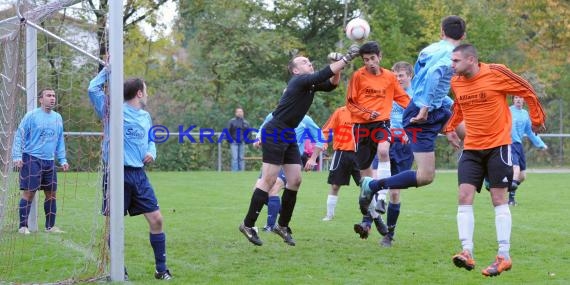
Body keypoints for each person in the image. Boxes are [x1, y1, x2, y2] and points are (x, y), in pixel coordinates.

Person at [238, 45, 360, 246]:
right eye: (304, 62)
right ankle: (248, 224)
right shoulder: (299, 81)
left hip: (287, 133)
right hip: (275, 130)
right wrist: (346, 58)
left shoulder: (309, 85)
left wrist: (338, 67)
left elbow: (331, 84)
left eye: (309, 61)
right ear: (295, 70)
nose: (309, 63)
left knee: (294, 180)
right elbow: (324, 73)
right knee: (268, 180)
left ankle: (282, 225)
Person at [444, 44, 546, 277]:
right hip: (471, 147)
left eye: (456, 61)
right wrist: (450, 127)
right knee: (463, 196)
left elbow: (526, 89)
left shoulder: (496, 72)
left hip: (498, 146)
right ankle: (467, 251)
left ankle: (504, 255)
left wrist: (537, 118)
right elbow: (460, 106)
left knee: (498, 197)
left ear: (471, 60)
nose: (452, 65)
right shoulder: (457, 82)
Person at [359, 15, 465, 207]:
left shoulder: (428, 50)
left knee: (473, 132)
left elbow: (421, 83)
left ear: (441, 32)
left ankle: (487, 174)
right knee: (425, 176)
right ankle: (373, 185)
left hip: (434, 107)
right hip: (422, 113)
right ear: (463, 35)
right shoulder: (453, 54)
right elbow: (433, 75)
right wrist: (425, 108)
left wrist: (448, 124)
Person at [88, 66, 172, 280]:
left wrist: (152, 152)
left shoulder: (145, 116)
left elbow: (151, 139)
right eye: (146, 90)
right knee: (114, 224)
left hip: (139, 175)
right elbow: (92, 89)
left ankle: (161, 270)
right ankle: (118, 270)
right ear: (139, 93)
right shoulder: (112, 109)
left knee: (157, 219)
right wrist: (108, 70)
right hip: (116, 174)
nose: (148, 94)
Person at [345, 41, 410, 239]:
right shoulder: (358, 76)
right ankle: (375, 217)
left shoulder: (390, 77)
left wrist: (418, 112)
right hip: (361, 127)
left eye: (373, 58)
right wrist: (366, 113)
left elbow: (403, 98)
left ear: (380, 57)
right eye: (366, 60)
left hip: (382, 123)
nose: (370, 63)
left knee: (383, 151)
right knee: (366, 180)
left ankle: (382, 198)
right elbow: (350, 103)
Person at [254, 113, 325, 232]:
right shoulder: (274, 115)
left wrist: (313, 158)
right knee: (257, 191)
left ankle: (270, 227)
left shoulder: (305, 119)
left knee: (274, 188)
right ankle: (284, 210)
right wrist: (258, 138)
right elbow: (262, 128)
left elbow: (320, 137)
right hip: (273, 158)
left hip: (291, 161)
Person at [12, 88, 70, 235]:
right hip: (32, 158)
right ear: (40, 99)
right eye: (48, 95)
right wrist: (17, 156)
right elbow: (19, 135)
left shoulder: (57, 117)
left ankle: (50, 226)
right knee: (29, 193)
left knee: (51, 194)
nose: (52, 98)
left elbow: (59, 140)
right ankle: (23, 226)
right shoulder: (31, 116)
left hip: (49, 162)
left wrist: (62, 159)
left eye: (54, 96)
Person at [379, 61, 416, 247]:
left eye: (401, 75)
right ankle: (369, 220)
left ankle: (389, 234)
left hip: (404, 144)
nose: (398, 79)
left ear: (410, 76)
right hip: (386, 139)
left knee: (395, 192)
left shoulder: (417, 95)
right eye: (395, 75)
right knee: (373, 180)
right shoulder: (387, 92)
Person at [308, 106, 361, 222]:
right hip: (341, 153)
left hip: (360, 154)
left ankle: (372, 216)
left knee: (366, 186)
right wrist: (324, 143)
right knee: (335, 185)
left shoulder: (365, 112)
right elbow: (326, 130)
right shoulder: (340, 112)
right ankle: (329, 215)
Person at [508, 95, 548, 206]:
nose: (518, 99)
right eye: (516, 97)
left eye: (520, 97)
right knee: (515, 169)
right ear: (513, 100)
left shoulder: (525, 114)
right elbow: (510, 128)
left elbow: (530, 132)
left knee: (522, 176)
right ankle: (511, 200)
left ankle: (507, 188)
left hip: (518, 145)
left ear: (524, 100)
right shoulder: (508, 111)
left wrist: (541, 144)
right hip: (509, 143)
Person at [227, 107, 251, 171]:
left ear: (243, 113)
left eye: (241, 112)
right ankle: (235, 172)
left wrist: (246, 140)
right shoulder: (231, 121)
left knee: (241, 158)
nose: (240, 113)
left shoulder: (246, 122)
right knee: (234, 158)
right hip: (234, 142)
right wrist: (230, 140)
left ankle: (241, 172)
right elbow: (228, 131)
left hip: (242, 142)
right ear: (236, 113)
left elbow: (249, 132)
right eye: (238, 112)